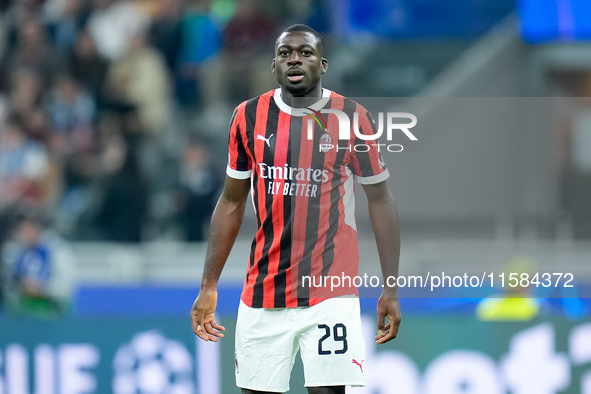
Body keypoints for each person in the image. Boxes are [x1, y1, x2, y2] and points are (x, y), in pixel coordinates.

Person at [191, 24, 402, 394]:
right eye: (285, 52)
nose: (295, 59)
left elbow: (380, 200)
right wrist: (209, 284)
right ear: (273, 65)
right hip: (262, 292)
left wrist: (391, 288)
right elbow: (231, 201)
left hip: (329, 293)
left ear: (323, 64)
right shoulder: (247, 117)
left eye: (305, 52)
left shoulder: (353, 118)